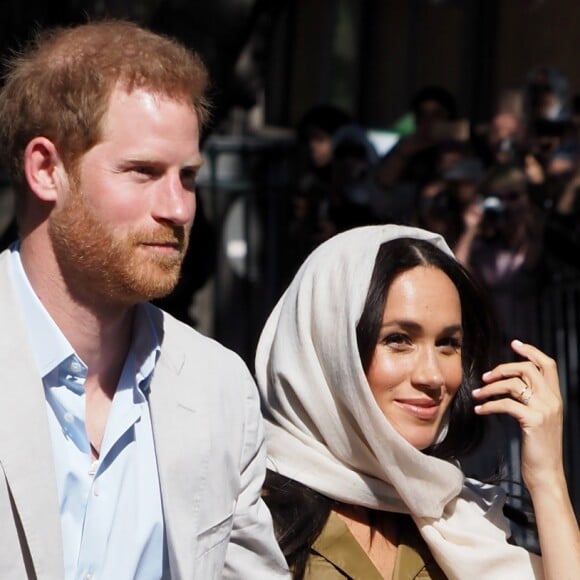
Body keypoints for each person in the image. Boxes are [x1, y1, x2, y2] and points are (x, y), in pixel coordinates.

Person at [0, 20, 289, 579]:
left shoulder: (218, 389)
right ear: (45, 169)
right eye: (143, 172)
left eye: (187, 177)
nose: (178, 208)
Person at [256, 224, 579, 579]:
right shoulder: (245, 513)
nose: (433, 376)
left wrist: (548, 478)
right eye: (398, 340)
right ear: (328, 349)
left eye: (448, 344)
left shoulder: (464, 522)